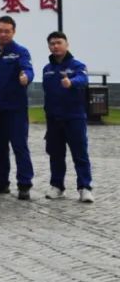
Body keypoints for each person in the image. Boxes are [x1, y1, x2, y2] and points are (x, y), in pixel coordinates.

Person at [0, 15, 35, 200]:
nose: (3, 34)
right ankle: (0, 182)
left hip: (15, 109)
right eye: (0, 31)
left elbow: (28, 69)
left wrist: (26, 77)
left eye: (7, 31)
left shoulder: (21, 52)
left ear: (13, 32)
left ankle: (24, 184)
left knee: (19, 146)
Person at [41, 31, 93, 203]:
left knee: (80, 154)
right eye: (52, 43)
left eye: (59, 42)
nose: (55, 46)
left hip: (74, 117)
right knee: (56, 154)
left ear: (66, 44)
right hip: (54, 119)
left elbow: (83, 79)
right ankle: (57, 186)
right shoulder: (47, 69)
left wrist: (71, 83)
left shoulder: (77, 65)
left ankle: (84, 187)